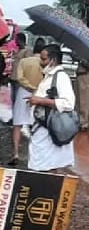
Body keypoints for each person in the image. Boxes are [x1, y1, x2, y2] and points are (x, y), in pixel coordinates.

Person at [28, 44, 76, 173]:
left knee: (47, 166)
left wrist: (40, 100)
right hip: (43, 128)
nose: (41, 62)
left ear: (53, 60)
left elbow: (68, 103)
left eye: (44, 59)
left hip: (49, 129)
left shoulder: (61, 77)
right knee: (45, 165)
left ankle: (47, 191)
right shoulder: (49, 76)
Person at [10, 37, 45, 165]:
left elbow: (19, 78)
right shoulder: (44, 64)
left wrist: (29, 86)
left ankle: (15, 153)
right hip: (39, 94)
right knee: (35, 124)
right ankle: (34, 154)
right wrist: (36, 88)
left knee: (17, 124)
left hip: (23, 92)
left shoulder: (24, 61)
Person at [8, 32, 30, 113]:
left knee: (18, 100)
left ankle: (17, 119)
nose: (15, 41)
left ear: (21, 40)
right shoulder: (18, 51)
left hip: (19, 81)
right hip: (13, 79)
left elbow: (27, 66)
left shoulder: (27, 51)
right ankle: (14, 118)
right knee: (13, 99)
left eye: (16, 40)